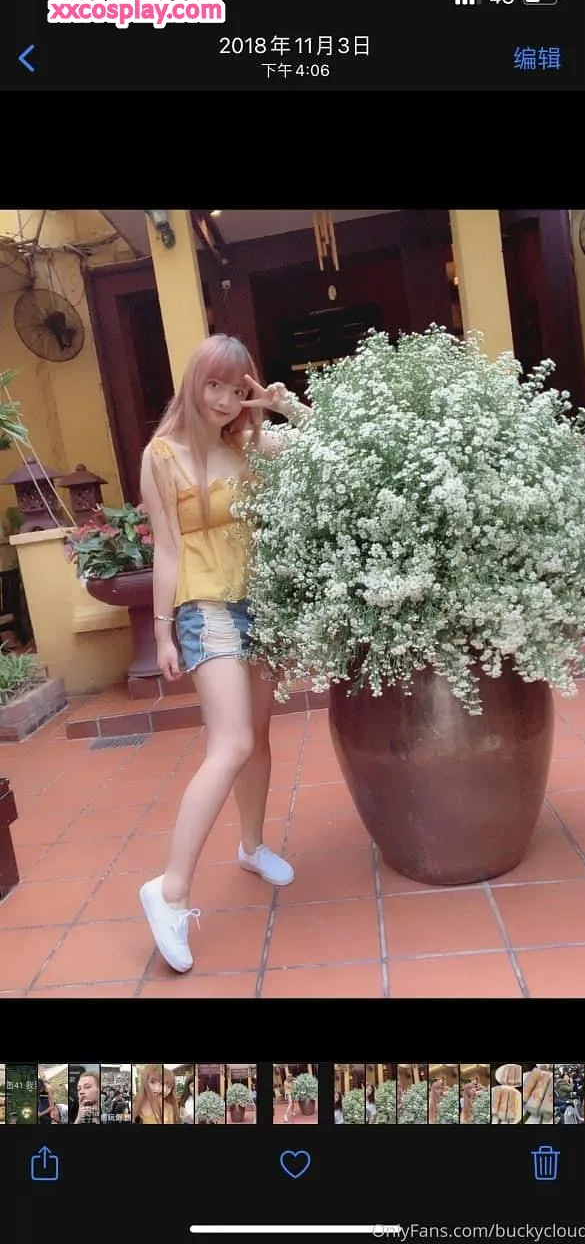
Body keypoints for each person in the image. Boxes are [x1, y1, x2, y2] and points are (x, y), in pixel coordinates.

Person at [138, 334, 312, 973]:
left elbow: (328, 447)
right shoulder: (161, 455)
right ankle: (169, 890)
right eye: (214, 384)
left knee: (257, 737)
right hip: (205, 608)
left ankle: (251, 846)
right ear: (193, 382)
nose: (223, 399)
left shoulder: (248, 445)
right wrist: (162, 632)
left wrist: (280, 406)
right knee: (231, 743)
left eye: (236, 389)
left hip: (260, 603)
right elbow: (166, 547)